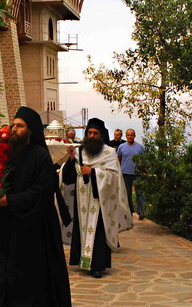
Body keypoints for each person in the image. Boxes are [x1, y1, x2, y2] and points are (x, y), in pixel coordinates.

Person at [0, 106, 71, 307]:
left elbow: (41, 192)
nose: (14, 129)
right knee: (8, 275)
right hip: (10, 226)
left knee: (32, 279)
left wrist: (9, 201)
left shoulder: (41, 156)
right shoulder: (7, 155)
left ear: (30, 130)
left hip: (35, 228)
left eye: (20, 126)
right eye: (13, 125)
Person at [62, 118, 132, 278]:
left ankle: (97, 266)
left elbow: (114, 177)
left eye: (95, 133)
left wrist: (93, 172)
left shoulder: (109, 153)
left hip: (100, 200)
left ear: (101, 135)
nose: (92, 136)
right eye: (89, 133)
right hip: (82, 198)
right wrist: (71, 158)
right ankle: (82, 260)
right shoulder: (79, 151)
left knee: (98, 232)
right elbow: (69, 177)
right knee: (81, 229)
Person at [117, 129, 146, 220]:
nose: (130, 137)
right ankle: (130, 211)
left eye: (132, 135)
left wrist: (145, 170)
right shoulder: (121, 147)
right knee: (127, 194)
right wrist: (119, 170)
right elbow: (119, 159)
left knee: (139, 193)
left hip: (138, 173)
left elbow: (143, 160)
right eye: (128, 135)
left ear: (134, 136)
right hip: (125, 173)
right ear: (126, 136)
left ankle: (141, 212)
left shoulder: (140, 147)